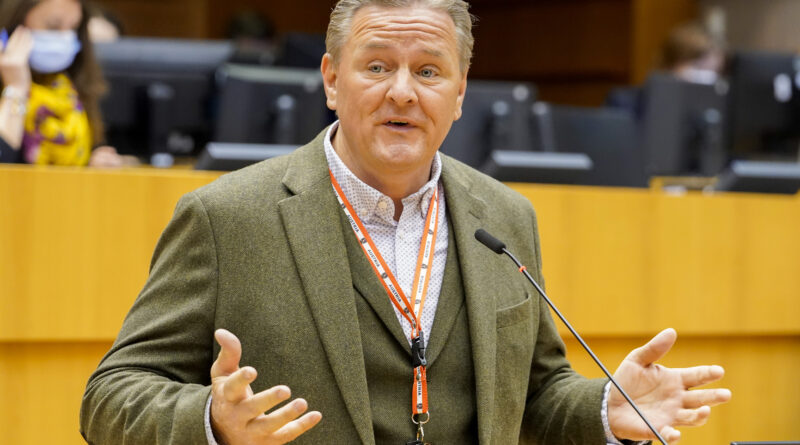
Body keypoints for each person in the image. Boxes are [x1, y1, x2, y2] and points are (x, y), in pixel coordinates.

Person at [80, 1, 731, 444]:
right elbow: (110, 395)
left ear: (460, 92)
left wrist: (604, 408)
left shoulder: (505, 217)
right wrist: (210, 419)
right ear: (332, 80)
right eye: (376, 66)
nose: (401, 92)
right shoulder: (227, 217)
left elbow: (533, 391)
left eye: (427, 71)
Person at [0, 0, 125, 166]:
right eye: (53, 27)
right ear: (13, 26)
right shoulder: (12, 88)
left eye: (73, 28)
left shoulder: (73, 90)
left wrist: (96, 162)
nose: (65, 38)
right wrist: (15, 89)